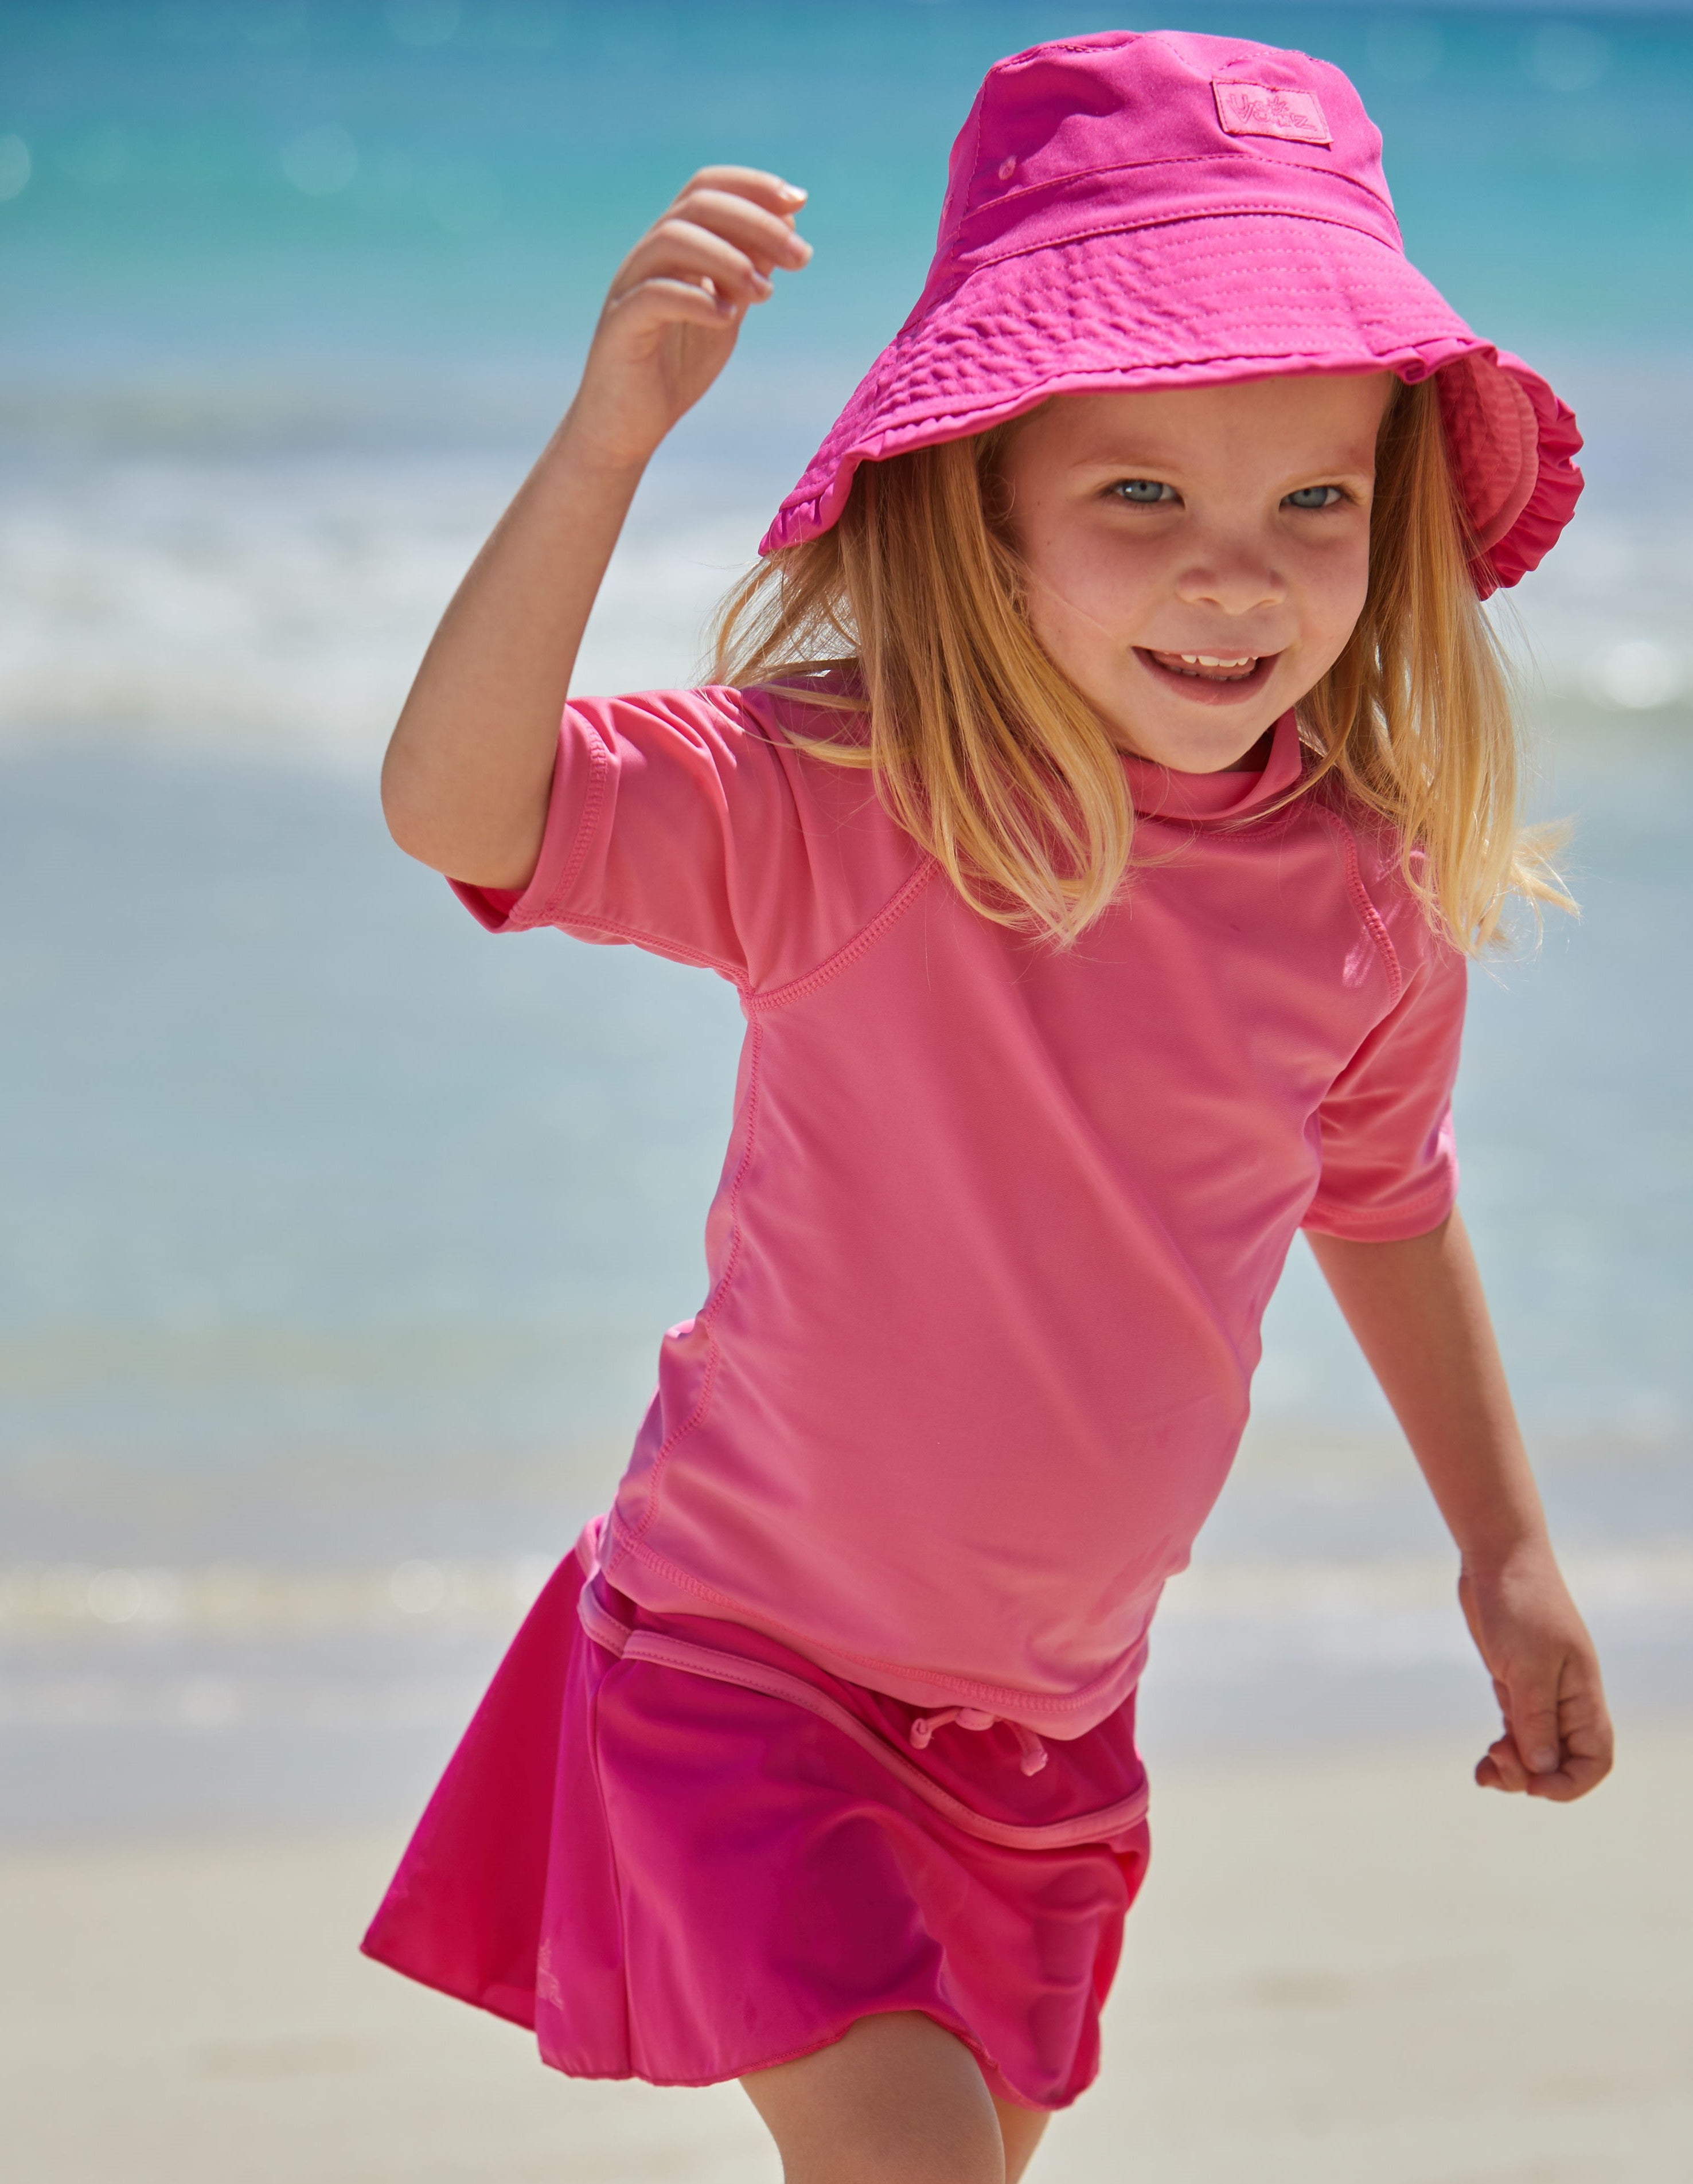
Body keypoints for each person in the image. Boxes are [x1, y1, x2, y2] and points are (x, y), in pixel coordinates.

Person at [364, 29, 1613, 2183]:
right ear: (984, 492)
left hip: (1051, 1727)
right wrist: (608, 445)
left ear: (1392, 514)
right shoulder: (850, 799)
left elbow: (1384, 1199)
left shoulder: (1366, 894)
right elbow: (459, 806)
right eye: (1142, 494)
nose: (1236, 574)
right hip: (743, 1667)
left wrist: (1505, 1551)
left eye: (1312, 499)